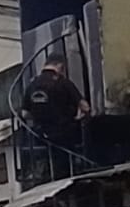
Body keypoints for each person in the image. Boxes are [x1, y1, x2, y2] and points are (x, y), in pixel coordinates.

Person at [21, 50, 91, 180]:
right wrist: (79, 116)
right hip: (65, 134)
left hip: (42, 136)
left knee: (52, 165)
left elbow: (25, 113)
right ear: (60, 66)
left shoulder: (32, 85)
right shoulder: (63, 83)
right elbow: (85, 107)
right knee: (69, 164)